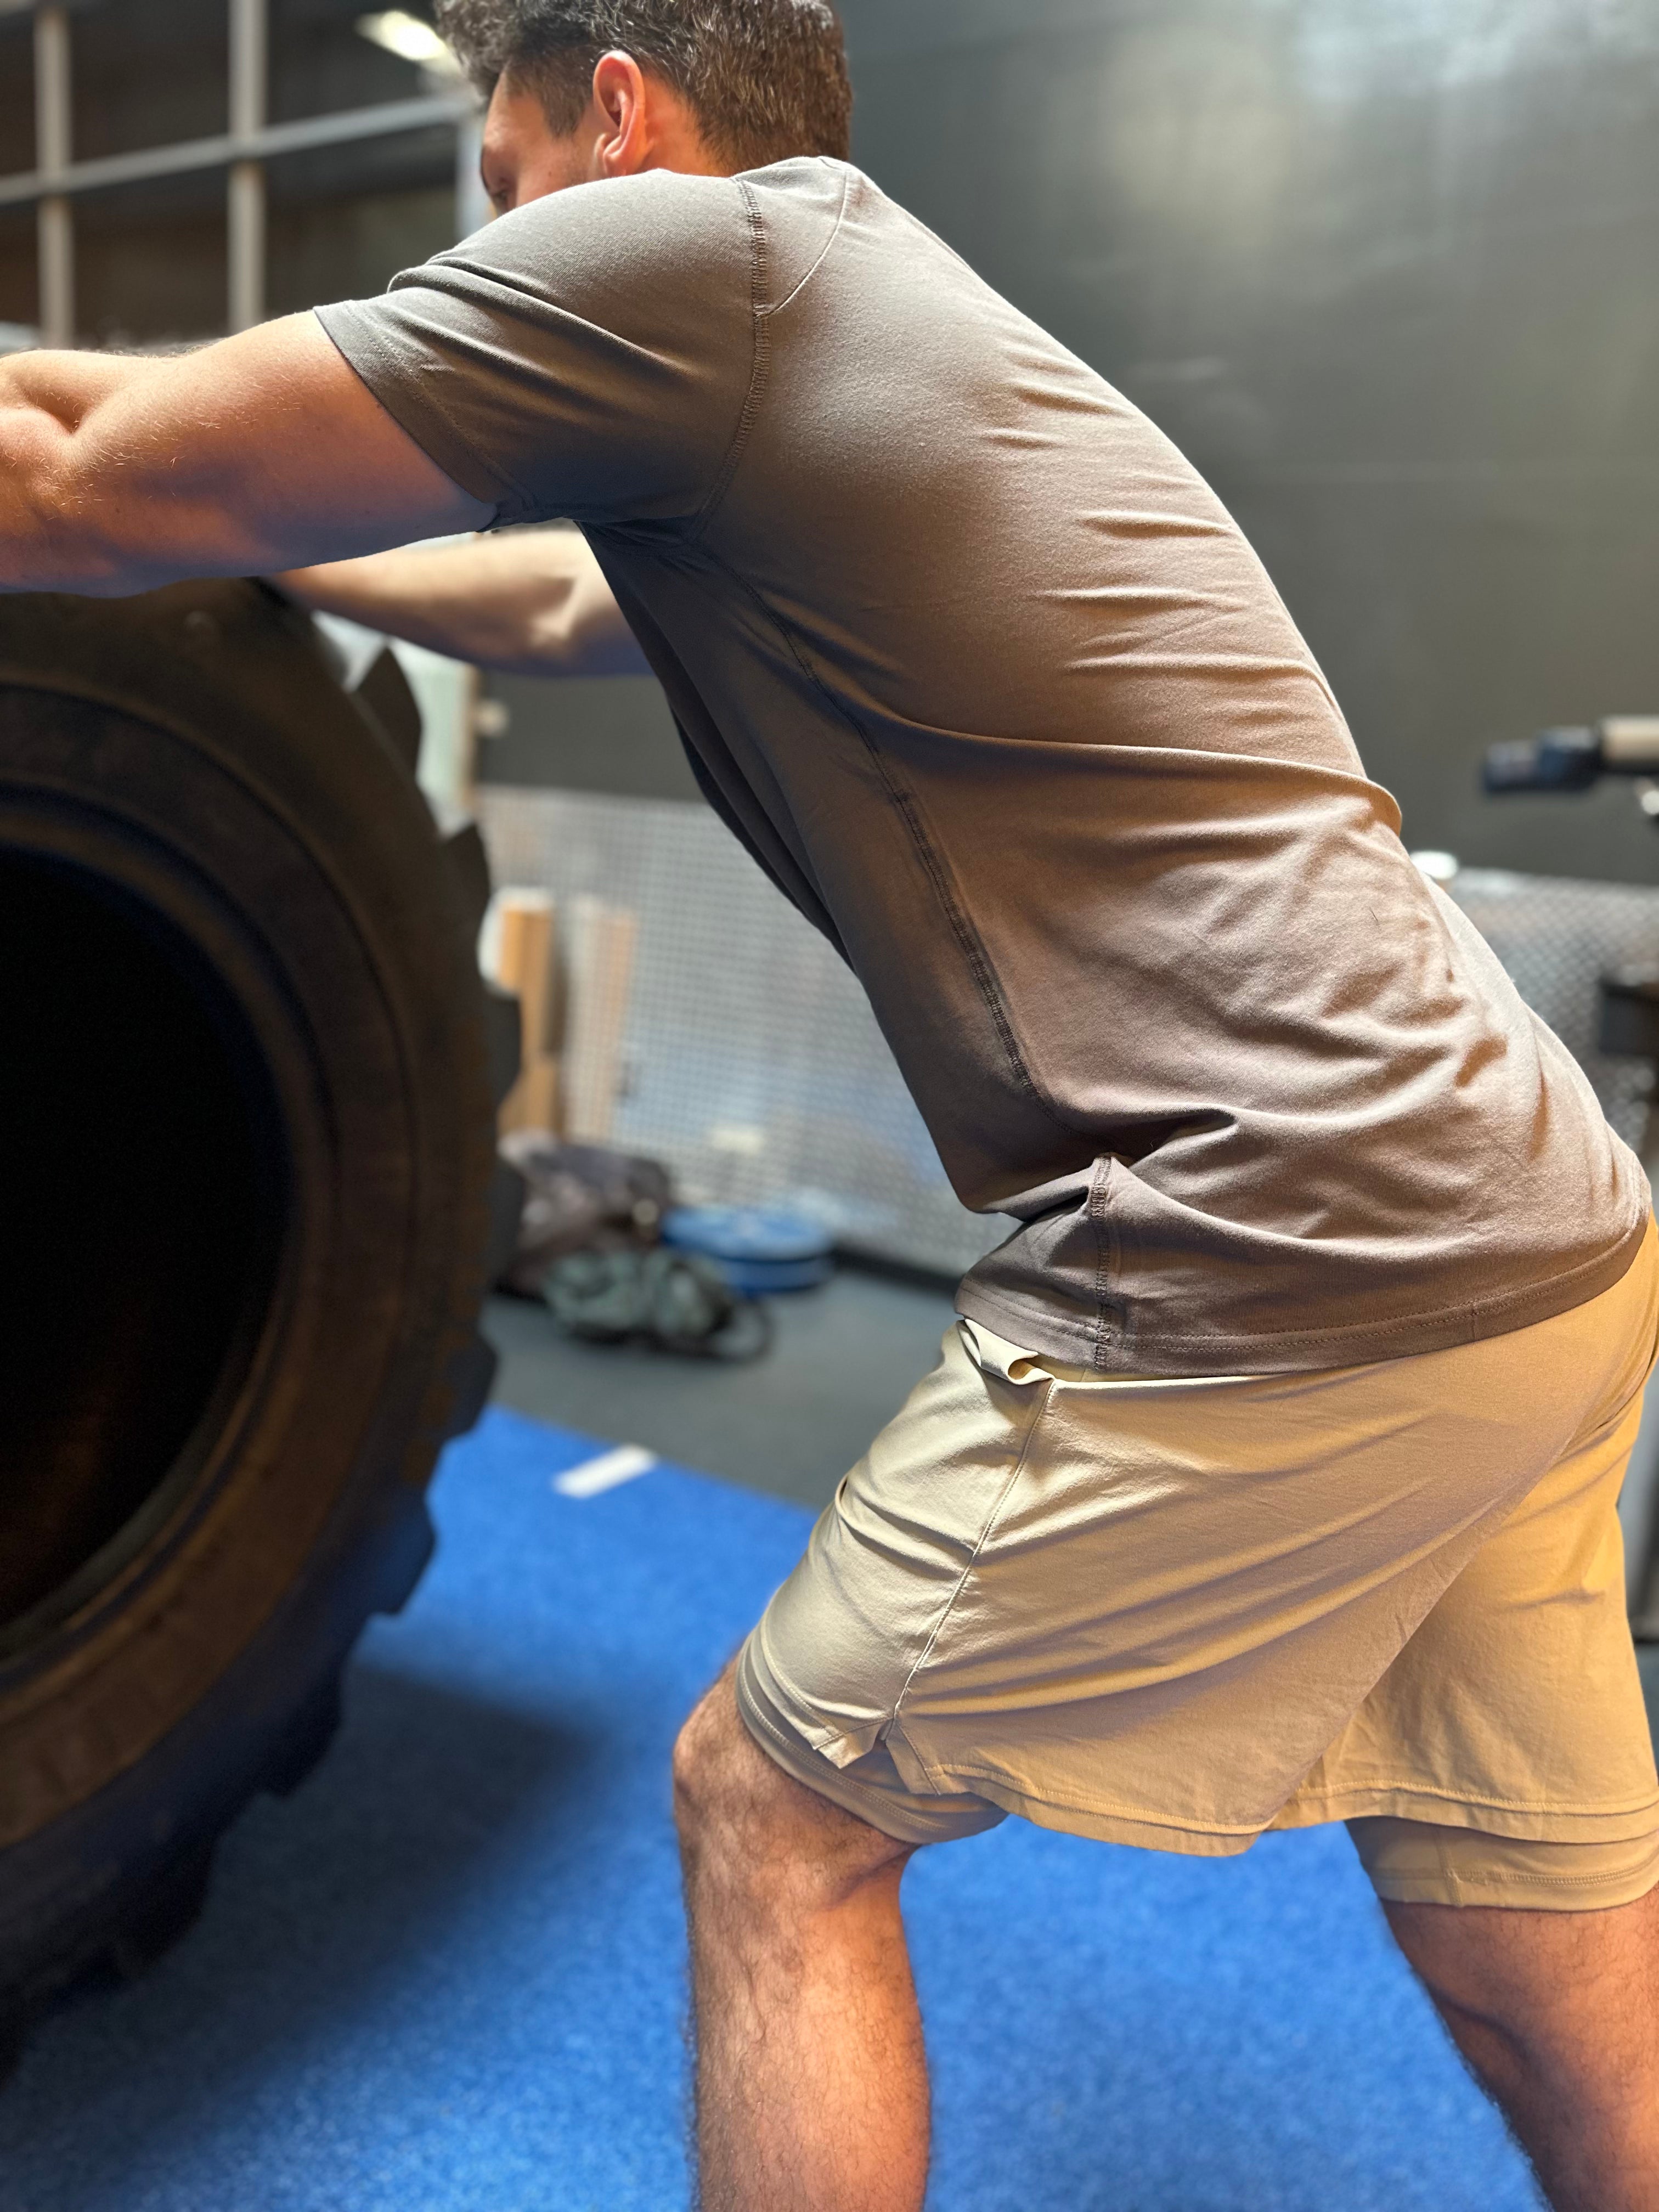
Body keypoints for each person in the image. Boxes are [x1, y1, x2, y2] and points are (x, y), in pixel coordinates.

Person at [3, 3, 1657, 2203]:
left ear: (610, 114)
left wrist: (159, 470)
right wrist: (246, 509)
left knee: (772, 1818)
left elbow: (65, 504)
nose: (493, 246)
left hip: (1289, 1246)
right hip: (1527, 1228)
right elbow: (537, 590)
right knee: (1527, 1933)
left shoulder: (688, 273)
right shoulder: (855, 312)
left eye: (496, 191)